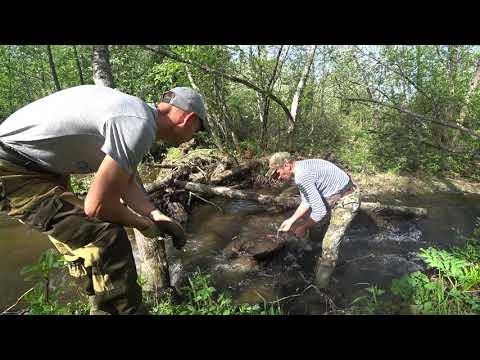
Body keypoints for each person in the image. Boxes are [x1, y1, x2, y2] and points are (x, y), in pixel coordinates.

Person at [0, 85, 208, 314]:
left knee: (87, 244)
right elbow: (97, 206)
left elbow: (124, 182)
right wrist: (143, 225)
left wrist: (155, 215)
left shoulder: (134, 115)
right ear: (188, 119)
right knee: (104, 235)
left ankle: (102, 301)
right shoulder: (137, 123)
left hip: (37, 166)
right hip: (13, 168)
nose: (192, 139)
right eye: (196, 131)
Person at [266, 152, 360, 288]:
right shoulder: (301, 168)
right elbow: (306, 202)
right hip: (333, 197)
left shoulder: (302, 176)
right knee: (315, 228)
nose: (278, 177)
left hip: (347, 200)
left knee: (329, 247)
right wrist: (291, 220)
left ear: (286, 165)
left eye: (277, 172)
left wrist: (304, 227)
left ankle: (319, 289)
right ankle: (311, 255)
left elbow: (320, 211)